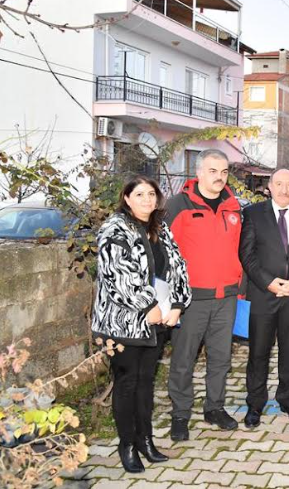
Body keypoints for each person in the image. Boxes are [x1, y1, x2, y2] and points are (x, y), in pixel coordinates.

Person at [92, 175, 190, 473]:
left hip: (158, 320)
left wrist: (177, 304)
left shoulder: (160, 227)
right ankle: (127, 445)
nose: (147, 199)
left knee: (146, 383)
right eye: (140, 194)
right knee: (127, 384)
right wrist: (147, 306)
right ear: (126, 198)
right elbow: (117, 274)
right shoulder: (114, 229)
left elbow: (178, 266)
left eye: (151, 194)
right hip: (126, 323)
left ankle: (146, 440)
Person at [166, 149, 243, 441]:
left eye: (224, 172)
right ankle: (180, 414)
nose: (219, 178)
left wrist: (239, 288)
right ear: (198, 173)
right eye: (213, 171)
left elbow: (239, 251)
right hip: (191, 300)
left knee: (221, 358)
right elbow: (165, 254)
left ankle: (215, 408)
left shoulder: (234, 207)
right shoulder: (178, 206)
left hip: (226, 298)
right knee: (184, 359)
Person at [239, 168, 289, 425]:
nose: (285, 190)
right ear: (270, 187)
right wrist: (268, 283)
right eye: (279, 184)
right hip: (264, 294)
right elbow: (247, 255)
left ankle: (288, 399)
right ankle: (255, 403)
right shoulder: (253, 213)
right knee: (259, 352)